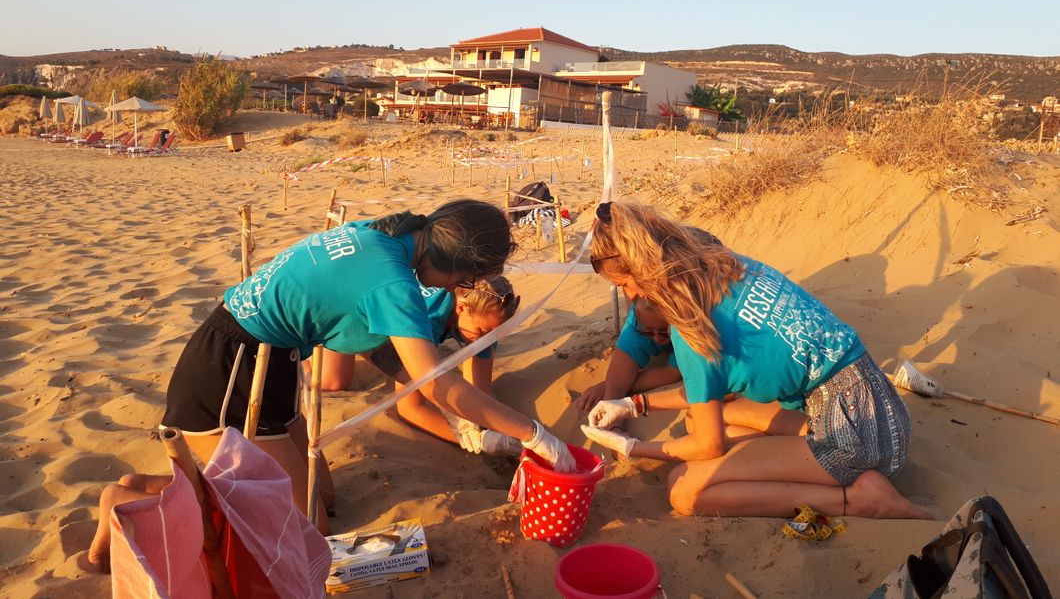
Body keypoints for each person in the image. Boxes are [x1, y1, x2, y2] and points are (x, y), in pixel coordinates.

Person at [156, 200, 574, 530]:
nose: (454, 288)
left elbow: (382, 349)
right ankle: (149, 499)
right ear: (454, 260)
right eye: (463, 280)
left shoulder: (388, 234)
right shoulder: (395, 282)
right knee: (307, 526)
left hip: (277, 362)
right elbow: (434, 383)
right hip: (230, 370)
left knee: (324, 498)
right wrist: (532, 433)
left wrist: (467, 423)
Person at [581, 201, 932, 520]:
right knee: (703, 420)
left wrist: (635, 447)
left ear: (644, 274)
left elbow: (709, 445)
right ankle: (796, 464)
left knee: (684, 489)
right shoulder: (727, 265)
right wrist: (632, 404)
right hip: (881, 409)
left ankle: (855, 500)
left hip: (853, 441)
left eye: (625, 284)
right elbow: (713, 394)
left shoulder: (692, 329)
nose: (630, 295)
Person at [317, 276, 524, 454]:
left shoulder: (485, 323)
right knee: (333, 381)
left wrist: (511, 433)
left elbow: (481, 390)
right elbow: (410, 409)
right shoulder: (424, 320)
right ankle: (307, 357)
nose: (487, 340)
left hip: (393, 307)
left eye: (495, 334)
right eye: (483, 332)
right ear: (461, 308)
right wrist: (478, 441)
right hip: (347, 303)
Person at [578, 227, 721, 416]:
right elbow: (616, 386)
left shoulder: (688, 311)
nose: (634, 294)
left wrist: (610, 387)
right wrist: (610, 391)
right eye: (621, 287)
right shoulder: (640, 318)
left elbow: (675, 373)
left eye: (625, 284)